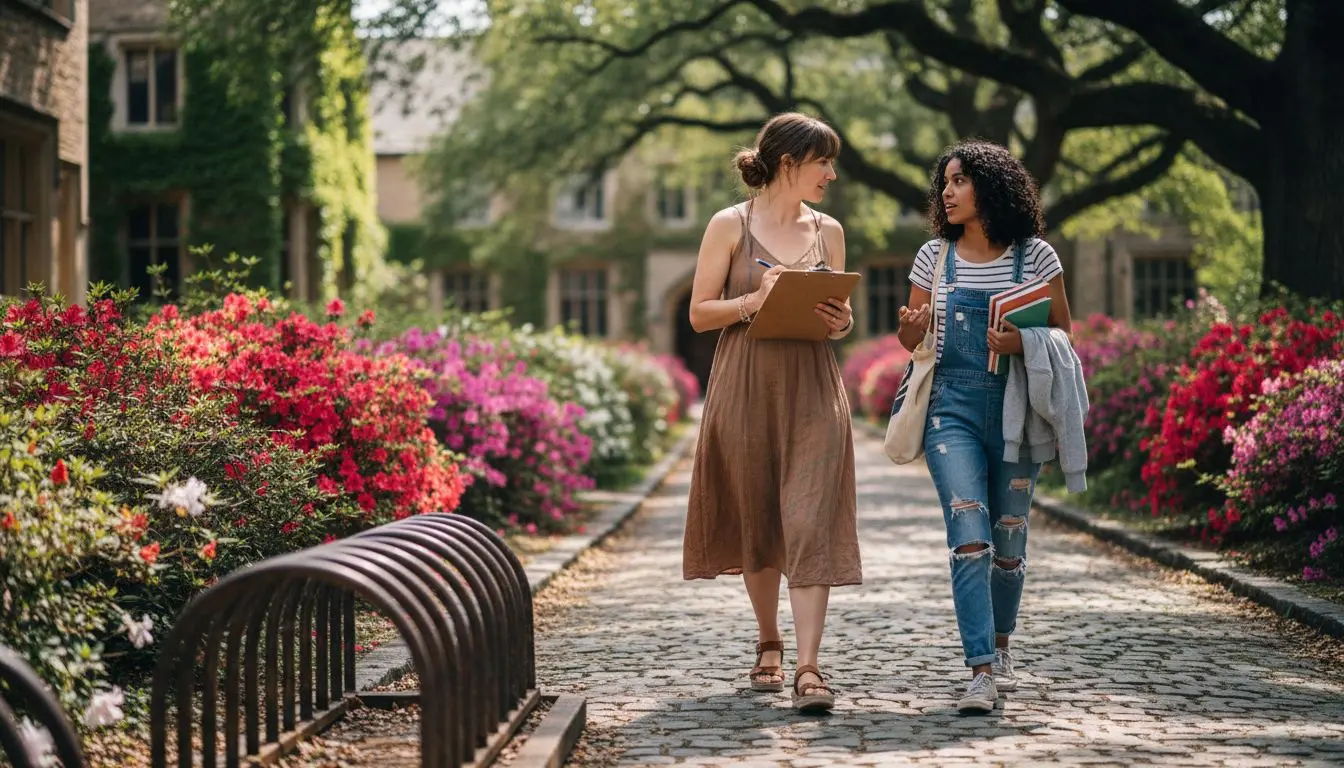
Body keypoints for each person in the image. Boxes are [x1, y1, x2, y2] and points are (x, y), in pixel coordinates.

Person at [681, 112, 861, 713]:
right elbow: (700, 314)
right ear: (789, 163)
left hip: (813, 385)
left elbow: (838, 313)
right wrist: (754, 300)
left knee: (811, 519)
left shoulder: (829, 231)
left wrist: (843, 322)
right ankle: (768, 639)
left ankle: (810, 667)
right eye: (823, 163)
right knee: (758, 514)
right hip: (745, 382)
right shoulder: (728, 225)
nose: (831, 175)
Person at [895, 140, 1074, 714]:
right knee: (968, 533)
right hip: (951, 409)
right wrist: (910, 329)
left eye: (958, 181)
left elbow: (1065, 336)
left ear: (990, 187)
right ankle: (979, 670)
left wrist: (1023, 341)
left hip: (1019, 411)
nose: (945, 192)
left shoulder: (1038, 257)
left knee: (1009, 540)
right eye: (943, 182)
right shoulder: (933, 258)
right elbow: (914, 342)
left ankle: (1001, 645)